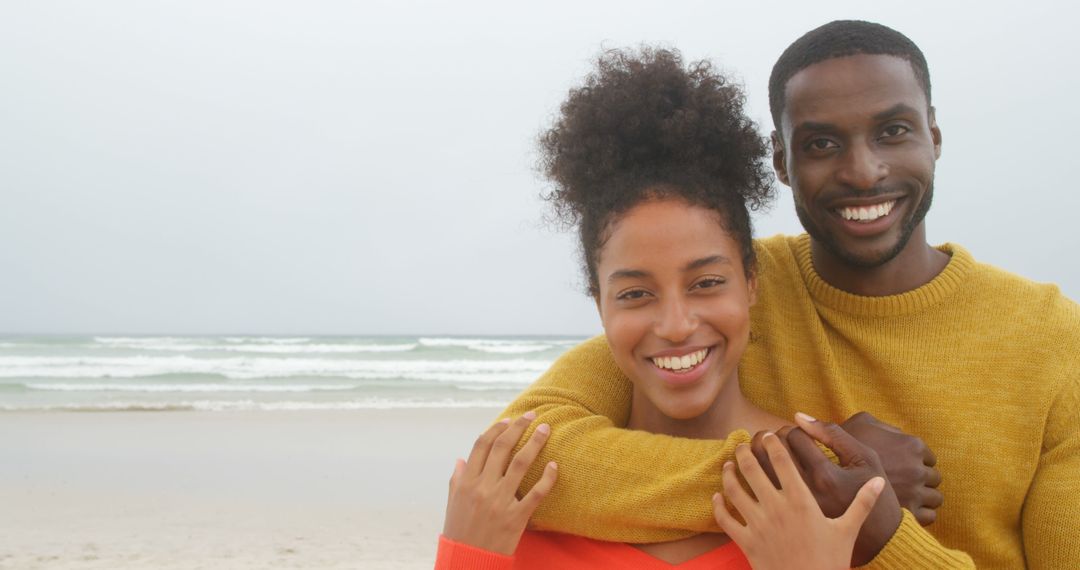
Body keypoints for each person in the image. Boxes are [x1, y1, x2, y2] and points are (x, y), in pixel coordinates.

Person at [497, 20, 1080, 570]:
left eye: (893, 131)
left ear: (935, 134)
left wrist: (876, 530)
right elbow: (522, 453)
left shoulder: (1054, 339)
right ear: (781, 159)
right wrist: (812, 473)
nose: (863, 171)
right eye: (822, 144)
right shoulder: (727, 292)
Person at [437, 47, 891, 570]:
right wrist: (466, 556)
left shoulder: (832, 495)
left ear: (751, 284)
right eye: (635, 293)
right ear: (598, 303)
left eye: (706, 283)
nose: (676, 326)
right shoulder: (512, 502)